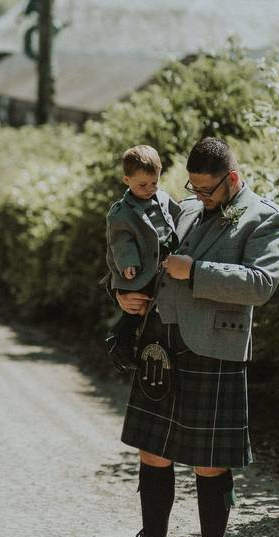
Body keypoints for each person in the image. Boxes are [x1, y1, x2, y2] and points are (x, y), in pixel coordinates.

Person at [96, 137, 279, 537]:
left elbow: (261, 285)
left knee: (209, 462)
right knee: (152, 451)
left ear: (232, 179)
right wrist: (121, 292)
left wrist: (196, 271)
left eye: (206, 190)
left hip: (214, 349)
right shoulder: (182, 209)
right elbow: (146, 264)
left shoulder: (265, 217)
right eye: (193, 187)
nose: (197, 196)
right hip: (162, 341)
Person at [105, 145, 181, 369]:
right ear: (126, 180)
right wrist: (128, 262)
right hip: (138, 269)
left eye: (154, 183)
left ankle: (129, 343)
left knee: (150, 310)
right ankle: (119, 340)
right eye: (142, 185)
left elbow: (179, 216)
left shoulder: (163, 198)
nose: (150, 189)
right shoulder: (122, 212)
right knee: (137, 307)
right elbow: (121, 241)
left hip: (162, 265)